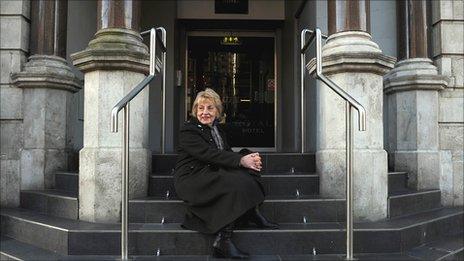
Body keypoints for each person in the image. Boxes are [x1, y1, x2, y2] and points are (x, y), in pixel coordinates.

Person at [174, 88, 278, 259]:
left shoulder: (217, 130)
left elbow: (226, 153)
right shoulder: (189, 130)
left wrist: (247, 158)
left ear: (217, 111)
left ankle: (252, 211)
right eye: (201, 108)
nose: (205, 112)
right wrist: (241, 161)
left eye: (210, 108)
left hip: (211, 172)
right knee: (235, 180)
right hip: (193, 178)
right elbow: (208, 155)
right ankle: (223, 240)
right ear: (195, 111)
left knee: (248, 166)